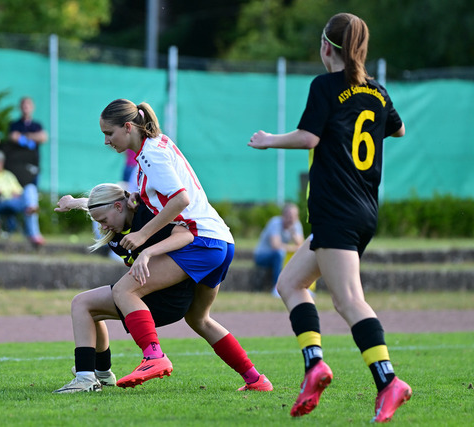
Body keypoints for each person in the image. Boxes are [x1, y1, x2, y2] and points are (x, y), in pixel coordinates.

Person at [248, 13, 411, 423]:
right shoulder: (377, 91)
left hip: (337, 209)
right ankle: (314, 365)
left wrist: (268, 141)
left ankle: (389, 381)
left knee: (348, 300)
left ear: (326, 47)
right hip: (361, 210)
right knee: (290, 283)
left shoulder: (325, 85)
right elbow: (398, 129)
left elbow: (309, 137)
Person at [99, 99, 272, 392]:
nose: (106, 140)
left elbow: (181, 199)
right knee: (199, 318)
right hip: (221, 240)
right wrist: (79, 203)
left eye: (109, 133)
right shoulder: (156, 146)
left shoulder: (151, 156)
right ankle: (256, 379)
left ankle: (154, 357)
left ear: (128, 127)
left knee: (124, 290)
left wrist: (143, 237)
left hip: (200, 241)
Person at [51, 183, 197, 393]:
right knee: (89, 308)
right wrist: (73, 203)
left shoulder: (146, 219)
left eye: (103, 220)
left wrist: (147, 253)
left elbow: (186, 235)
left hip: (167, 297)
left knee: (81, 303)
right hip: (146, 295)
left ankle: (85, 378)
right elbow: (99, 205)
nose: (103, 227)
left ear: (119, 207)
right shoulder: (116, 218)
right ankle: (102, 374)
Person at [0, 150, 45, 246]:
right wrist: (6, 193)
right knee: (27, 205)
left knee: (30, 188)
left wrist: (13, 193)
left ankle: (31, 207)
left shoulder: (7, 174)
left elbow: (19, 190)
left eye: (0, 160)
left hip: (13, 201)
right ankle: (33, 231)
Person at [253, 203, 304, 296]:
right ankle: (277, 288)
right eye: (289, 216)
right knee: (280, 253)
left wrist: (293, 233)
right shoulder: (275, 223)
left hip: (280, 256)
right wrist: (294, 248)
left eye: (294, 216)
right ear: (283, 215)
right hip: (262, 256)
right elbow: (275, 245)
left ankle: (301, 288)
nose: (291, 219)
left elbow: (301, 245)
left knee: (298, 255)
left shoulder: (296, 225)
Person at [6, 97, 48, 187]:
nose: (26, 107)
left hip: (33, 163)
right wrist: (34, 137)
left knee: (33, 190)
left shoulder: (37, 125)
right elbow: (13, 137)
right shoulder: (15, 124)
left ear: (32, 107)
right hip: (18, 164)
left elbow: (43, 137)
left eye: (28, 105)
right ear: (20, 107)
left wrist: (24, 136)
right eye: (23, 105)